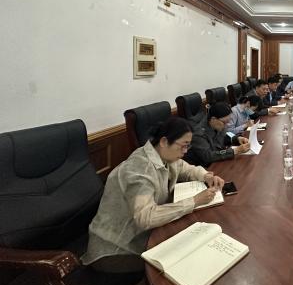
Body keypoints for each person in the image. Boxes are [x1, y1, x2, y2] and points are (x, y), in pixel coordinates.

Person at [82, 117, 225, 272]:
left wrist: (206, 176)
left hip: (143, 235)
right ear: (164, 141)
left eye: (188, 146)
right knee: (181, 261)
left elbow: (186, 169)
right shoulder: (139, 170)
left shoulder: (164, 155)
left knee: (189, 245)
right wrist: (194, 201)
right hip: (116, 248)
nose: (185, 152)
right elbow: (146, 218)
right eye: (183, 146)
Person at [184, 103, 250, 166]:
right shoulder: (198, 134)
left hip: (218, 160)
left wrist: (236, 139)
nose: (226, 125)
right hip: (204, 167)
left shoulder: (218, 124)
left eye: (228, 121)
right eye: (224, 122)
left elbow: (224, 136)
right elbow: (207, 156)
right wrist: (235, 151)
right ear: (213, 119)